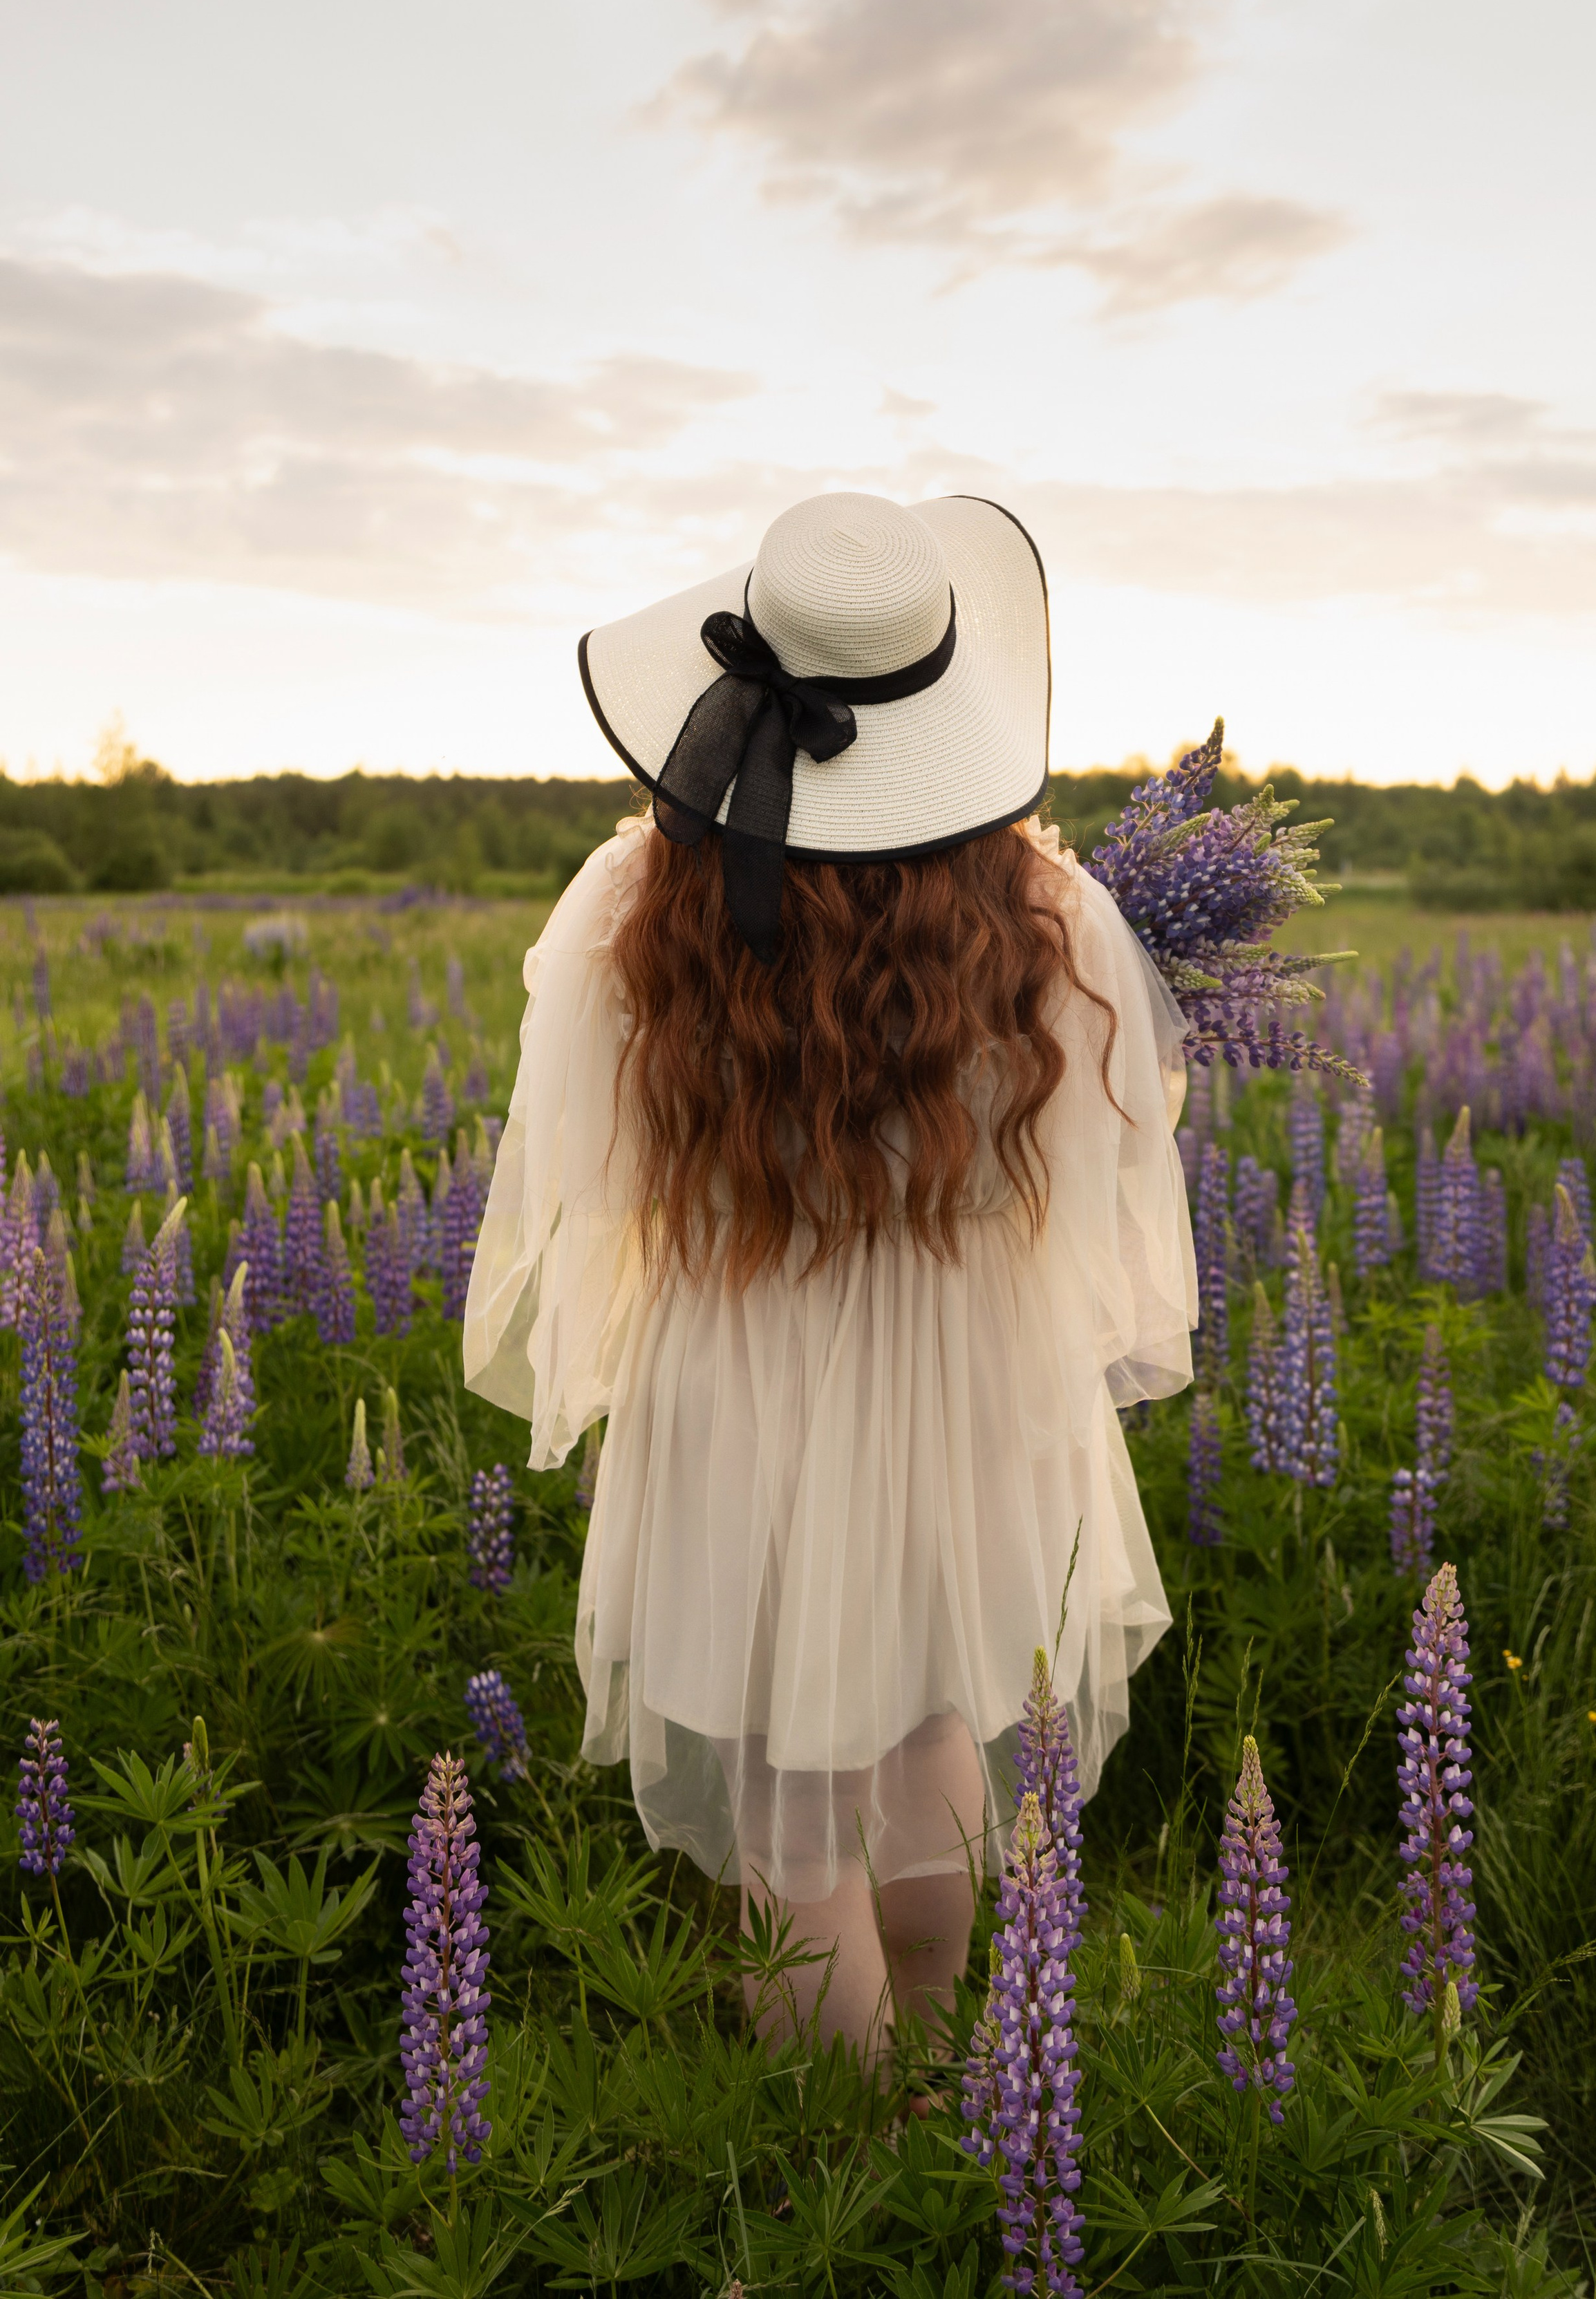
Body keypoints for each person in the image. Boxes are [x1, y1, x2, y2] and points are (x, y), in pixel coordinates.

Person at [464, 489, 1195, 2070]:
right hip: (962, 1371)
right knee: (935, 1713)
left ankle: (843, 2161)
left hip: (731, 1352)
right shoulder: (1051, 913)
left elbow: (589, 1177)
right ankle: (937, 2100)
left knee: (789, 1829)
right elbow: (1099, 1177)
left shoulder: (633, 900)